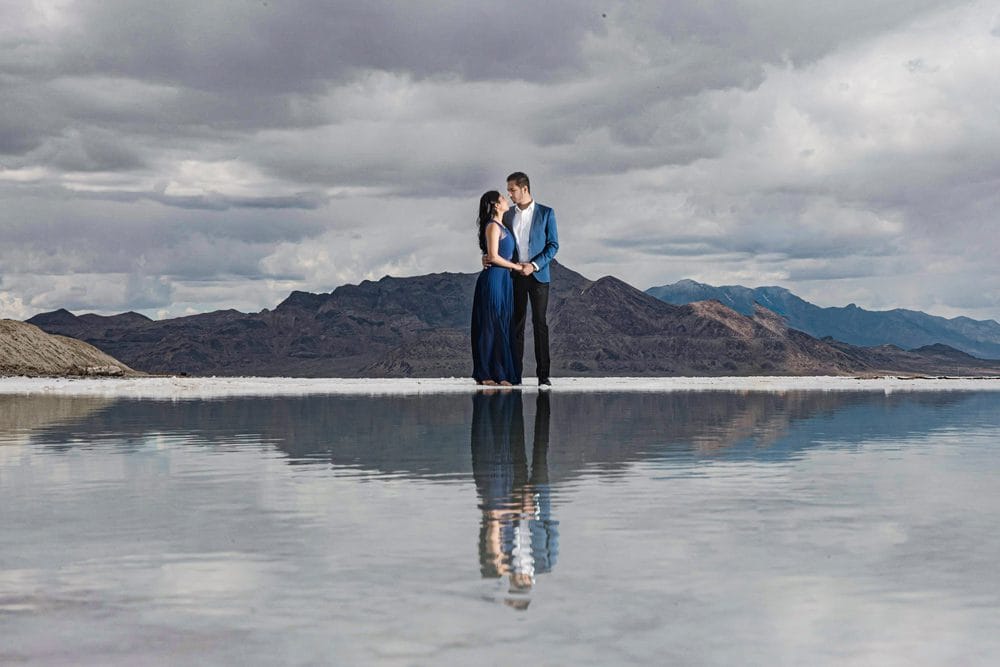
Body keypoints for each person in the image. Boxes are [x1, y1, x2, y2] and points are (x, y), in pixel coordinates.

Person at [502, 172, 559, 386]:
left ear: (524, 189)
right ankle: (514, 374)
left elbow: (553, 245)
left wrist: (533, 265)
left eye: (512, 190)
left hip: (538, 276)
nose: (510, 195)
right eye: (508, 191)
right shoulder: (507, 215)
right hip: (514, 275)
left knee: (540, 324)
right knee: (516, 324)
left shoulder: (546, 213)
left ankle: (543, 376)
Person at [471, 191, 522, 386]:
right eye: (502, 198)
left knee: (501, 323)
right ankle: (487, 374)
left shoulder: (503, 226)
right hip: (494, 279)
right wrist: (517, 267)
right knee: (491, 325)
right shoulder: (492, 227)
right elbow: (492, 256)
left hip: (503, 280)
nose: (506, 199)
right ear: (495, 205)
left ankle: (501, 373)